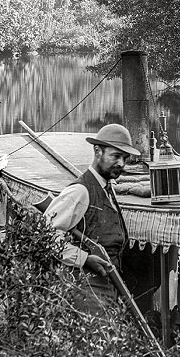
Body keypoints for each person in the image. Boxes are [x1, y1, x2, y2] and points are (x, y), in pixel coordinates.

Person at [44, 123, 139, 311]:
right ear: (97, 151)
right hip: (86, 288)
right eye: (115, 156)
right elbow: (45, 236)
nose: (121, 163)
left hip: (110, 286)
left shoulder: (107, 188)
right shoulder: (80, 191)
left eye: (125, 158)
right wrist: (85, 259)